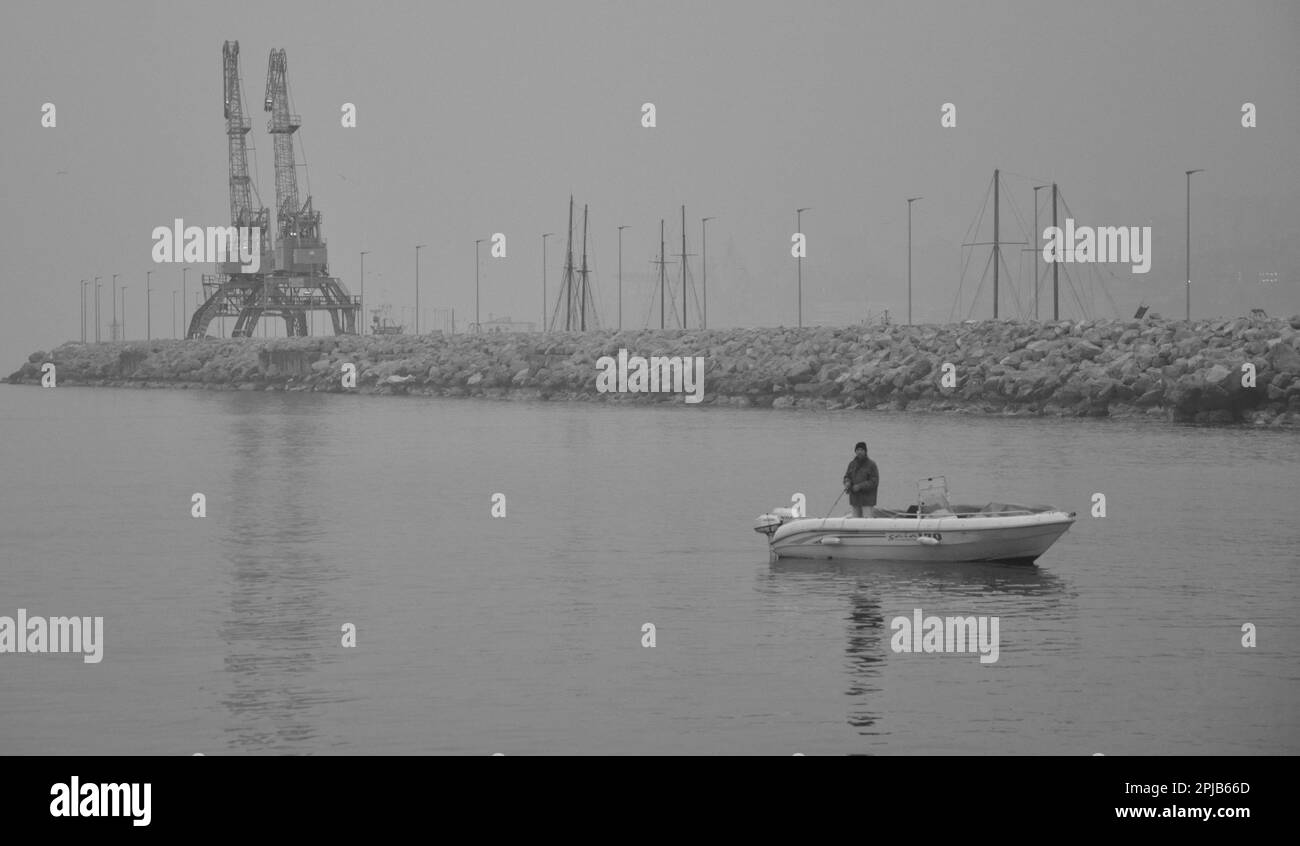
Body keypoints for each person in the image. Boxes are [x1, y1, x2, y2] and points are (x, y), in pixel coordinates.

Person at [843, 441, 879, 518]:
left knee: (867, 523)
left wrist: (860, 486)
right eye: (858, 450)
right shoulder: (852, 464)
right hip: (855, 500)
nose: (859, 452)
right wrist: (847, 482)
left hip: (867, 501)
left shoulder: (871, 465)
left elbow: (874, 482)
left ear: (865, 451)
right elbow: (847, 476)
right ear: (855, 451)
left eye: (862, 450)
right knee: (855, 522)